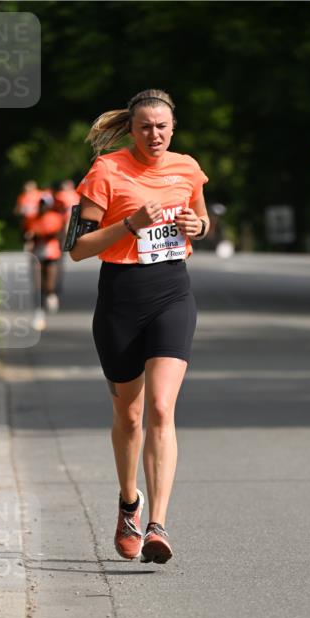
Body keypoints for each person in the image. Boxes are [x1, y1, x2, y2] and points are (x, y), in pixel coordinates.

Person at [68, 88, 209, 564]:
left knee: (162, 409)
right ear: (131, 129)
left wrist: (198, 227)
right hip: (121, 300)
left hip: (173, 293)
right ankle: (130, 503)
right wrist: (130, 224)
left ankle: (157, 526)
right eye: (146, 126)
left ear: (173, 129)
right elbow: (79, 248)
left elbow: (203, 219)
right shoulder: (106, 171)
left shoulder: (187, 168)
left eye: (163, 127)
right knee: (129, 416)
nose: (155, 134)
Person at [25, 197, 66, 329]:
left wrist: (44, 235)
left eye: (45, 204)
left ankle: (51, 293)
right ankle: (39, 312)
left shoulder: (55, 217)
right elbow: (27, 233)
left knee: (49, 283)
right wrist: (31, 237)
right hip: (37, 253)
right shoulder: (33, 218)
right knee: (38, 284)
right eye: (41, 204)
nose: (42, 207)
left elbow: (59, 234)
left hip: (51, 252)